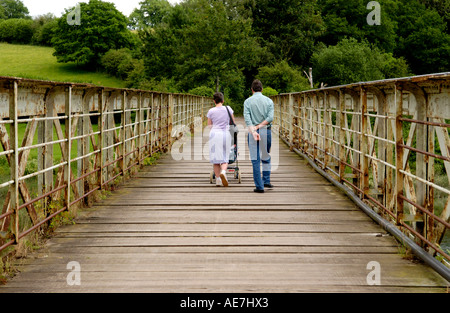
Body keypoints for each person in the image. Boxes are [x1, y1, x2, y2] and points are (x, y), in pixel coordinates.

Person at [243, 80, 274, 193]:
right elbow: (270, 118)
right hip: (266, 131)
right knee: (265, 156)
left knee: (255, 160)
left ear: (252, 90)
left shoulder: (247, 102)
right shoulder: (269, 101)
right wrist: (260, 126)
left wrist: (254, 129)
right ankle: (266, 180)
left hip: (253, 133)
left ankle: (259, 186)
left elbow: (248, 119)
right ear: (262, 89)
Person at [207, 92, 236, 187]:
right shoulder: (228, 109)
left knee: (216, 159)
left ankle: (218, 179)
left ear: (214, 101)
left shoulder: (211, 111)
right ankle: (223, 171)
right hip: (225, 134)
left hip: (215, 134)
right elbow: (233, 122)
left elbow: (210, 125)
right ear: (223, 100)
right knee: (225, 156)